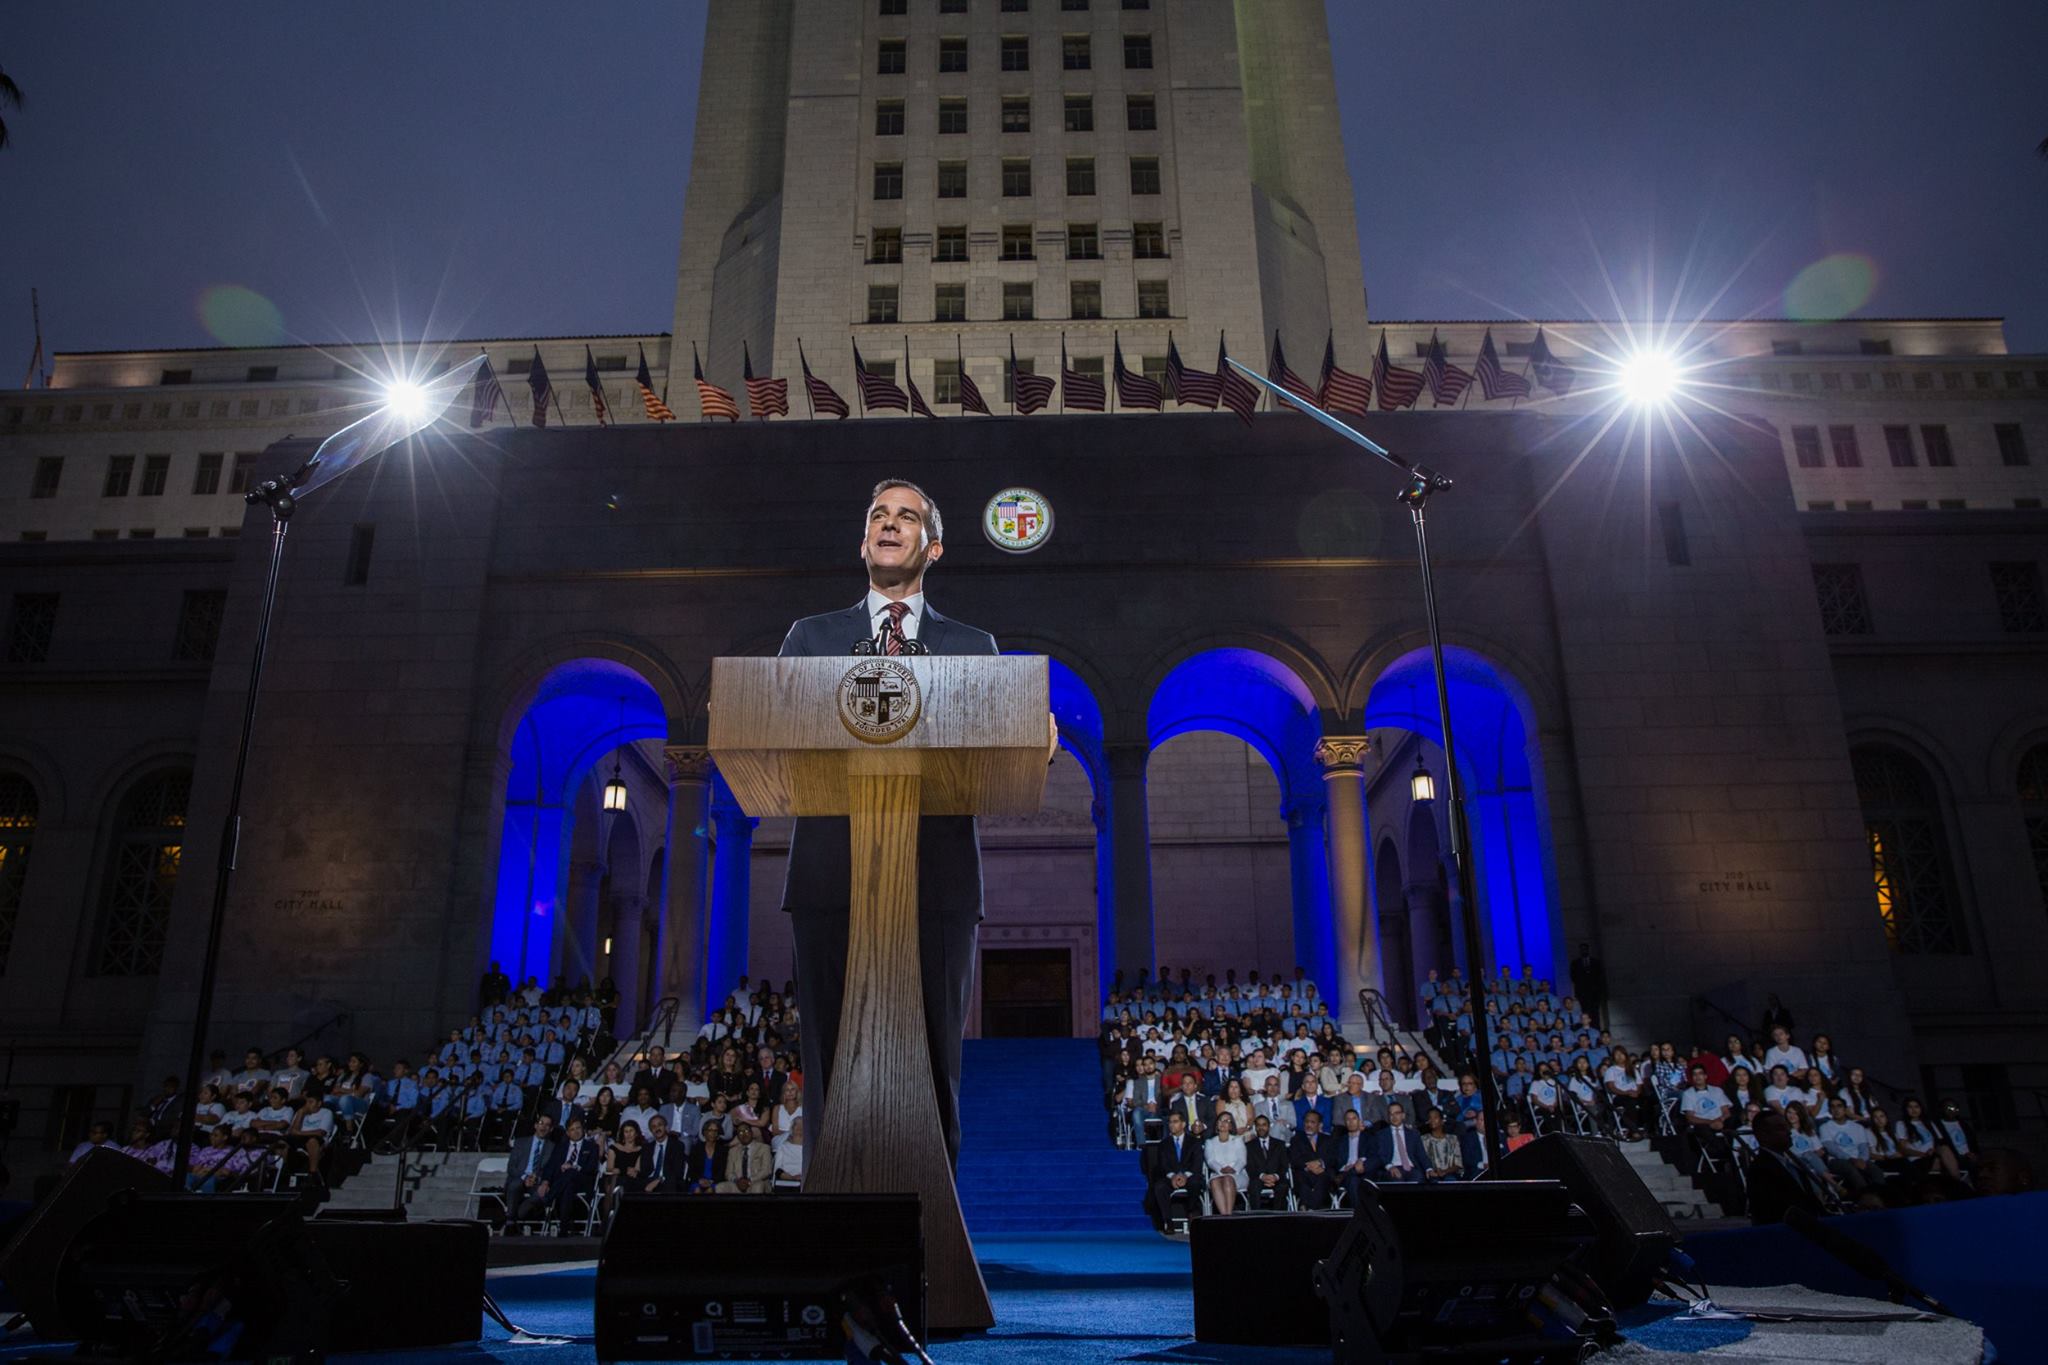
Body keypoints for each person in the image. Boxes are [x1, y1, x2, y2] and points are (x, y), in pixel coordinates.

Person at [779, 479, 1053, 1172]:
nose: (889, 523)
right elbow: (777, 732)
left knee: (934, 1071)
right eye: (878, 514)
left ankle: (931, 1243)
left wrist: (1031, 742)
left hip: (938, 884)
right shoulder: (809, 637)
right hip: (830, 881)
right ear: (863, 542)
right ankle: (835, 1246)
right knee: (831, 1069)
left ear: (933, 547)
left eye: (906, 516)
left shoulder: (972, 646)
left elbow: (997, 753)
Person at [1746, 1109, 1835, 1225]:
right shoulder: (1759, 1170)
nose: (1789, 1132)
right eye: (1780, 1128)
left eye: (1786, 1127)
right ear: (1763, 1135)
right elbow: (1772, 1212)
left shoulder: (1791, 1165)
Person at [1147, 1110, 1205, 1230]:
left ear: (1183, 1124)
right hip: (1171, 1177)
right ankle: (1168, 1221)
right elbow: (1163, 1165)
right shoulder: (1164, 1144)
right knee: (1160, 1186)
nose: (1171, 1125)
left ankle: (1191, 1213)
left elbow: (1196, 1164)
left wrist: (1184, 1176)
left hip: (1189, 1176)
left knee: (1195, 1182)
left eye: (1175, 1122)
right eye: (1170, 1122)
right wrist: (1173, 1176)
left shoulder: (1194, 1142)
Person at [503, 1114, 562, 1231]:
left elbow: (551, 1169)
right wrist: (525, 1177)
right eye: (541, 1123)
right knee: (515, 1185)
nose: (543, 1127)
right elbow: (511, 1167)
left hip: (538, 1181)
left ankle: (515, 1216)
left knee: (542, 1195)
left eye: (547, 1125)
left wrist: (538, 1179)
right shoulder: (520, 1143)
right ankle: (510, 1222)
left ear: (551, 1129)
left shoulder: (553, 1147)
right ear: (535, 1125)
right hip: (520, 1177)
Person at [549, 1117, 603, 1234]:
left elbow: (591, 1168)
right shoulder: (560, 1147)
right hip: (566, 1182)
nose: (576, 1131)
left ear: (583, 1130)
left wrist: (574, 1167)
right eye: (572, 1129)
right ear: (568, 1133)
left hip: (584, 1181)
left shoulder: (592, 1147)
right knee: (568, 1185)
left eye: (578, 1128)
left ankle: (549, 1197)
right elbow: (552, 1167)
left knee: (571, 1172)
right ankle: (564, 1228)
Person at [1288, 1109, 1337, 1209]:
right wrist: (1309, 1166)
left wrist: (1320, 1163)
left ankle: (1307, 1207)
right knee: (1302, 1180)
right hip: (1304, 1173)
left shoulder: (1328, 1140)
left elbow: (1333, 1158)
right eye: (1306, 1122)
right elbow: (1294, 1159)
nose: (1308, 1125)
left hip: (1323, 1173)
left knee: (1323, 1178)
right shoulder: (1296, 1140)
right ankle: (1312, 1210)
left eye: (1312, 1122)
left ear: (1320, 1125)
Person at [1203, 1110, 1248, 1216]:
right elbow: (1210, 1160)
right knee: (1214, 1182)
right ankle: (1225, 1216)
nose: (1223, 1123)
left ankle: (1228, 1216)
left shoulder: (1238, 1140)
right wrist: (1221, 1169)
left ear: (1231, 1126)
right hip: (1218, 1173)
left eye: (1227, 1121)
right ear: (1217, 1124)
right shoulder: (1210, 1142)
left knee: (1228, 1179)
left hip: (1237, 1174)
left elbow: (1242, 1160)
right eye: (1220, 1121)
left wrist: (1233, 1169)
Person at [1244, 1114, 1291, 1209]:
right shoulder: (1249, 1146)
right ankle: (1256, 1217)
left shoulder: (1280, 1144)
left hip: (1277, 1178)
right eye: (1258, 1125)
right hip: (1258, 1178)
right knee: (1254, 1186)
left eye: (1264, 1125)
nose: (1261, 1128)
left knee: (1282, 1186)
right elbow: (1250, 1167)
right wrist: (1263, 1176)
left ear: (1269, 1127)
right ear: (1255, 1127)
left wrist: (1275, 1176)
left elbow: (1284, 1165)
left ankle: (1279, 1217)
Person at [716, 1123, 772, 1194]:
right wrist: (737, 1181)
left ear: (751, 1133)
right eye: (740, 1132)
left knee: (758, 1186)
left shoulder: (764, 1148)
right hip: (738, 1184)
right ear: (737, 1136)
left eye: (746, 1131)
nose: (744, 1134)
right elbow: (728, 1173)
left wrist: (749, 1180)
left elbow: (767, 1171)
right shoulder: (733, 1151)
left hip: (756, 1181)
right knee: (720, 1187)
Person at [1332, 1109, 1372, 1206]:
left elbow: (1375, 1157)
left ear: (1359, 1121)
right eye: (1348, 1119)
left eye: (1354, 1118)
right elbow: (1334, 1161)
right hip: (1345, 1175)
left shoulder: (1369, 1138)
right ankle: (1358, 1214)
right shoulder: (1339, 1142)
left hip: (1363, 1173)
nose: (1351, 1122)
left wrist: (1361, 1161)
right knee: (1353, 1180)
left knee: (1354, 1179)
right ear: (1345, 1122)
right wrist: (1345, 1168)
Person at [1420, 1108, 1463, 1181]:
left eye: (1435, 1117)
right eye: (1430, 1118)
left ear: (1442, 1121)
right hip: (1432, 1174)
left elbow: (1458, 1163)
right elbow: (1423, 1160)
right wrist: (1433, 1171)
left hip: (1450, 1173)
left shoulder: (1452, 1139)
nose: (1432, 1120)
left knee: (1450, 1179)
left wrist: (1445, 1171)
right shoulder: (1424, 1139)